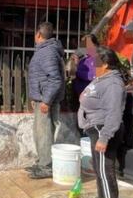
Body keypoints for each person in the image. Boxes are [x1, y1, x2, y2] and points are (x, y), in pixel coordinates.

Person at [78, 46, 130, 198]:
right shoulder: (103, 79)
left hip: (103, 129)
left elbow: (114, 111)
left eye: (96, 64)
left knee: (105, 171)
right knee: (100, 170)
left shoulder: (113, 83)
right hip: (96, 128)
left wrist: (104, 137)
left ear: (106, 64)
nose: (93, 67)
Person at [26, 21, 65, 179]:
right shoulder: (45, 50)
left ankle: (46, 166)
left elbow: (55, 79)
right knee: (39, 132)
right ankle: (42, 162)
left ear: (38, 35)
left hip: (46, 100)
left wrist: (46, 101)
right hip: (41, 98)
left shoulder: (47, 52)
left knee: (44, 134)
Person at [72, 33, 99, 103]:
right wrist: (76, 63)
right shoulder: (85, 58)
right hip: (82, 96)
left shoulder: (98, 58)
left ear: (94, 44)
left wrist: (76, 72)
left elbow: (92, 76)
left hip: (90, 97)